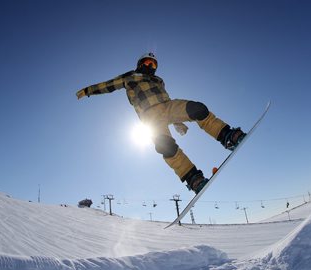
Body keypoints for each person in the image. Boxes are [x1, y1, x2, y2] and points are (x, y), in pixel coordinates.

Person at [76, 52, 246, 194]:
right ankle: (194, 179)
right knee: (165, 147)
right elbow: (108, 85)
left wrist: (178, 122)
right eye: (148, 63)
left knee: (198, 109)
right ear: (140, 64)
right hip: (150, 118)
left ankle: (228, 136)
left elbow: (166, 99)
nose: (151, 67)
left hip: (168, 106)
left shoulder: (159, 81)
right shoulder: (130, 77)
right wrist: (88, 91)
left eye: (154, 65)